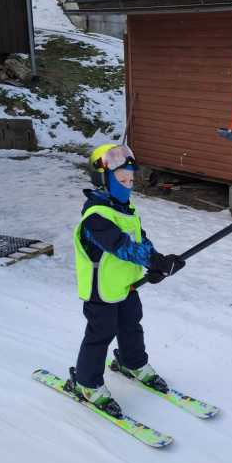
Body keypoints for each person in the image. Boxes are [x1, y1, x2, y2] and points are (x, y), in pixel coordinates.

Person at [72, 143, 185, 416]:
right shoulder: (96, 217)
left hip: (126, 285)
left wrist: (156, 263)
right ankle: (86, 382)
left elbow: (140, 241)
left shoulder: (126, 209)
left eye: (131, 180)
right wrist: (153, 261)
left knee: (131, 325)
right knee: (101, 333)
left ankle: (131, 362)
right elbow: (121, 246)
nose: (128, 185)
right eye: (121, 180)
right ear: (103, 181)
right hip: (101, 289)